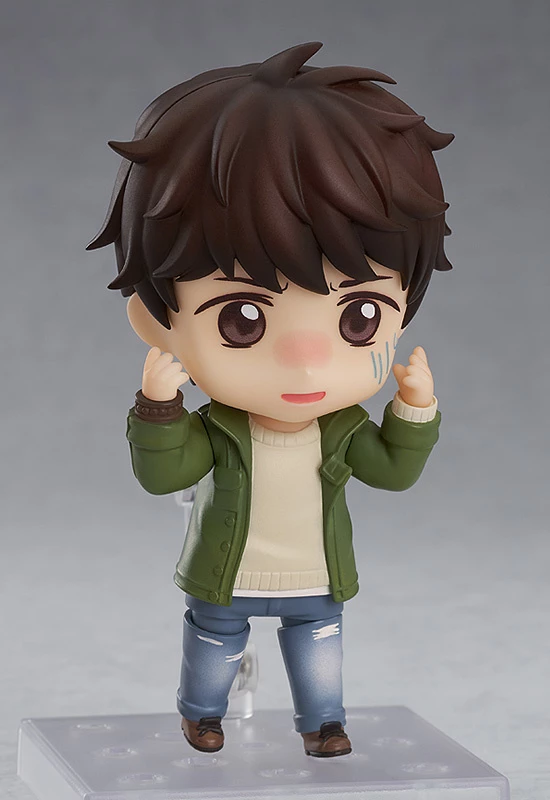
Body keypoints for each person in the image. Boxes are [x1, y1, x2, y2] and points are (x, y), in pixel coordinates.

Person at [87, 41, 453, 757]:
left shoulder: (342, 427)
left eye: (360, 317)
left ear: (404, 309)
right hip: (225, 575)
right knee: (212, 645)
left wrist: (412, 411)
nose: (306, 359)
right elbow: (164, 474)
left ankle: (323, 724)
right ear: (158, 322)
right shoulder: (219, 429)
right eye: (243, 319)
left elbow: (392, 472)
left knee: (319, 645)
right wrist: (159, 407)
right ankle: (202, 715)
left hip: (315, 574)